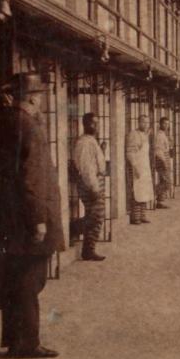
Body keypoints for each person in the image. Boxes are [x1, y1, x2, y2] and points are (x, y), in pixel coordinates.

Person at [0, 72, 64, 359]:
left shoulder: (8, 123)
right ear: (34, 98)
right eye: (39, 97)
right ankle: (27, 343)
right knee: (31, 281)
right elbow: (32, 178)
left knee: (15, 280)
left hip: (11, 217)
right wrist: (38, 220)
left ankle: (14, 339)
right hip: (30, 219)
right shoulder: (30, 128)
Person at [70, 112, 106, 261]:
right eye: (93, 123)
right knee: (96, 216)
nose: (96, 126)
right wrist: (94, 187)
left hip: (95, 181)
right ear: (85, 125)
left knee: (96, 216)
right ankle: (73, 228)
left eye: (97, 123)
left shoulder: (91, 140)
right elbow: (86, 168)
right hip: (90, 183)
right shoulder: (84, 142)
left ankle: (88, 249)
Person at [124, 114, 154, 224]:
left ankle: (142, 215)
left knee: (144, 191)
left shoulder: (145, 135)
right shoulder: (134, 134)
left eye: (147, 122)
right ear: (138, 122)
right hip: (137, 166)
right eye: (143, 122)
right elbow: (130, 152)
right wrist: (135, 166)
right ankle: (135, 217)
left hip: (145, 166)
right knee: (136, 192)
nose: (146, 125)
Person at [152, 117, 173, 206]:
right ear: (160, 124)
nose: (166, 125)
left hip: (165, 158)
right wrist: (164, 162)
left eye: (168, 124)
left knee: (163, 180)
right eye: (164, 123)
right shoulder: (159, 135)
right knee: (167, 182)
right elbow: (158, 150)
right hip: (161, 159)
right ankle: (152, 192)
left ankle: (159, 201)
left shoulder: (163, 134)